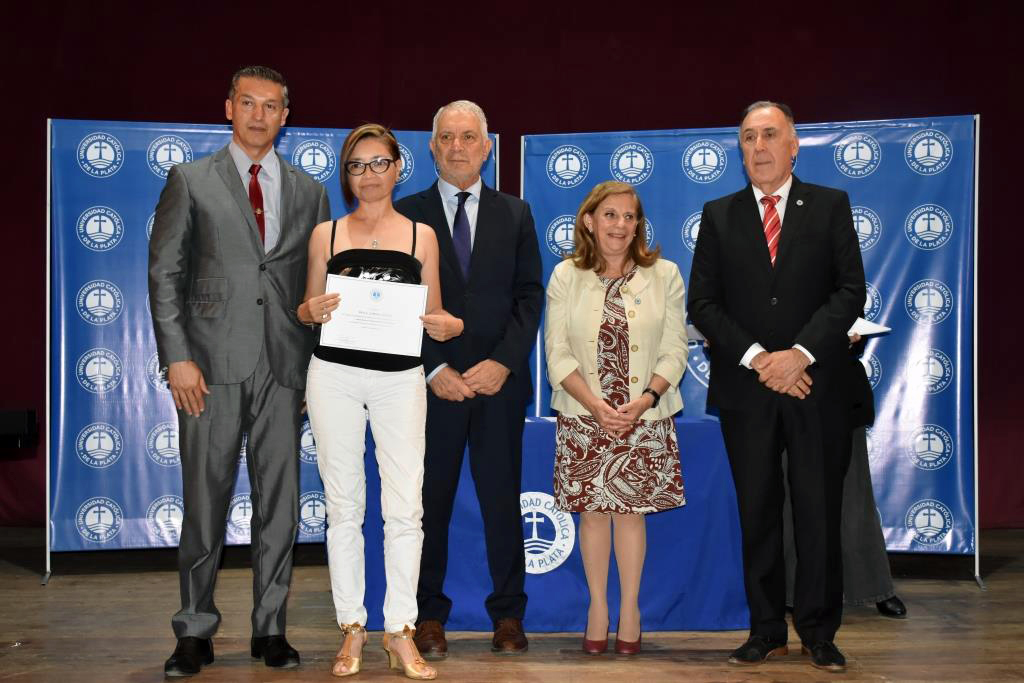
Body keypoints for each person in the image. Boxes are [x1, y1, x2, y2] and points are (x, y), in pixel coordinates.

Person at [149, 66, 330, 677]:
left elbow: (317, 286)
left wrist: (314, 366)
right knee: (205, 504)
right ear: (228, 107)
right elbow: (166, 274)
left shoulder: (310, 192)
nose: (259, 114)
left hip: (284, 367)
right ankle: (194, 631)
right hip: (209, 369)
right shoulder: (190, 180)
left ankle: (270, 629)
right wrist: (177, 356)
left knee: (280, 508)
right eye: (247, 102)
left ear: (285, 115)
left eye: (271, 105)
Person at [688, 100, 866, 673]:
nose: (758, 147)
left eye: (770, 135)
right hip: (749, 389)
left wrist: (800, 356)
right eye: (747, 138)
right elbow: (704, 305)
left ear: (794, 145)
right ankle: (765, 629)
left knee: (818, 511)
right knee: (757, 511)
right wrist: (763, 360)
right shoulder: (718, 215)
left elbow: (849, 292)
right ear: (738, 150)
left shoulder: (831, 206)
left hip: (818, 386)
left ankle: (819, 630)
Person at [300, 124, 463, 680]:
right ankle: (351, 627)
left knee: (404, 509)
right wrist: (311, 312)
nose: (368, 174)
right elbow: (305, 309)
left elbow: (436, 316)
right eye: (356, 165)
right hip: (335, 377)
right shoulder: (326, 233)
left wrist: (448, 324)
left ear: (398, 167)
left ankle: (400, 630)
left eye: (378, 163)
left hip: (400, 380)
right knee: (343, 506)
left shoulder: (422, 236)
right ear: (346, 175)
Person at [394, 100, 544, 658]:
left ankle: (508, 616)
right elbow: (398, 305)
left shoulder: (516, 213)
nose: (457, 146)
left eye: (469, 137)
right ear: (432, 147)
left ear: (487, 147)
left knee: (503, 502)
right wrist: (434, 366)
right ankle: (427, 616)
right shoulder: (404, 215)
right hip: (429, 388)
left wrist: (503, 361)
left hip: (498, 386)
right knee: (427, 503)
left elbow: (530, 298)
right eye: (447, 137)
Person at [544, 181, 687, 655]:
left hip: (642, 416)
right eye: (610, 215)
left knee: (630, 514)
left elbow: (674, 348)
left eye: (629, 217)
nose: (621, 226)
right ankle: (597, 609)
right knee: (593, 515)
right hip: (585, 414)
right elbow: (557, 352)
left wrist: (645, 399)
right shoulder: (566, 275)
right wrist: (595, 405)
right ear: (589, 220)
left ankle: (629, 610)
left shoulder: (664, 274)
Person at [782, 335, 907, 618]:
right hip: (784, 391)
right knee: (787, 495)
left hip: (839, 391)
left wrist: (850, 337)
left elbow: (855, 325)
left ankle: (874, 588)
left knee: (854, 499)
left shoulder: (843, 288)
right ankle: (790, 591)